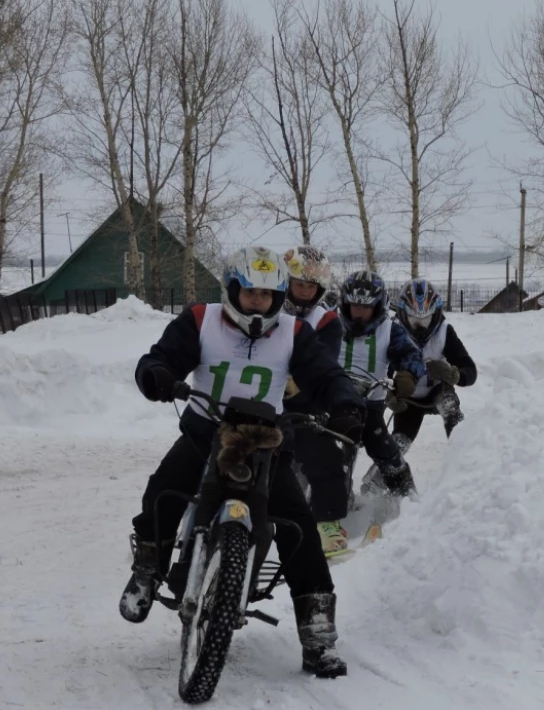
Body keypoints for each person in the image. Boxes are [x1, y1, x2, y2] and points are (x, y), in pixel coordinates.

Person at [119, 245, 369, 679]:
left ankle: (317, 635)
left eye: (268, 294)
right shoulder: (201, 319)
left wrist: (345, 405)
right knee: (162, 492)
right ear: (232, 289)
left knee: (298, 527)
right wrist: (156, 374)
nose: (260, 301)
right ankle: (148, 571)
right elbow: (161, 356)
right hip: (204, 432)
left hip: (266, 443)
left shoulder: (294, 333)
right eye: (250, 292)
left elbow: (326, 374)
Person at [336, 270, 426, 509]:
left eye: (366, 307)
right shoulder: (329, 324)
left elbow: (411, 355)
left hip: (369, 406)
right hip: (331, 403)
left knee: (387, 452)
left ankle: (408, 499)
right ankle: (321, 502)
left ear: (378, 306)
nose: (359, 311)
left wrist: (407, 375)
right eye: (354, 305)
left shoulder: (390, 329)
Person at [281, 246, 349, 558]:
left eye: (311, 287)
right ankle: (195, 517)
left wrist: (298, 384)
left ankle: (328, 525)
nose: (305, 292)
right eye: (299, 284)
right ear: (286, 282)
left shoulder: (327, 321)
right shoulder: (267, 307)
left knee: (325, 458)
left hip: (305, 401)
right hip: (260, 395)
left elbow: (325, 361)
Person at [391, 279, 477, 453]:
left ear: (436, 313)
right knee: (398, 444)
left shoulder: (445, 332)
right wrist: (389, 392)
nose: (421, 325)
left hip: (439, 390)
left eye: (426, 319)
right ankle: (380, 479)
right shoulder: (395, 334)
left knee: (450, 408)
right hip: (409, 398)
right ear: (403, 315)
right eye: (414, 319)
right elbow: (380, 372)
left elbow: (470, 370)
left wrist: (455, 375)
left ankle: (465, 457)